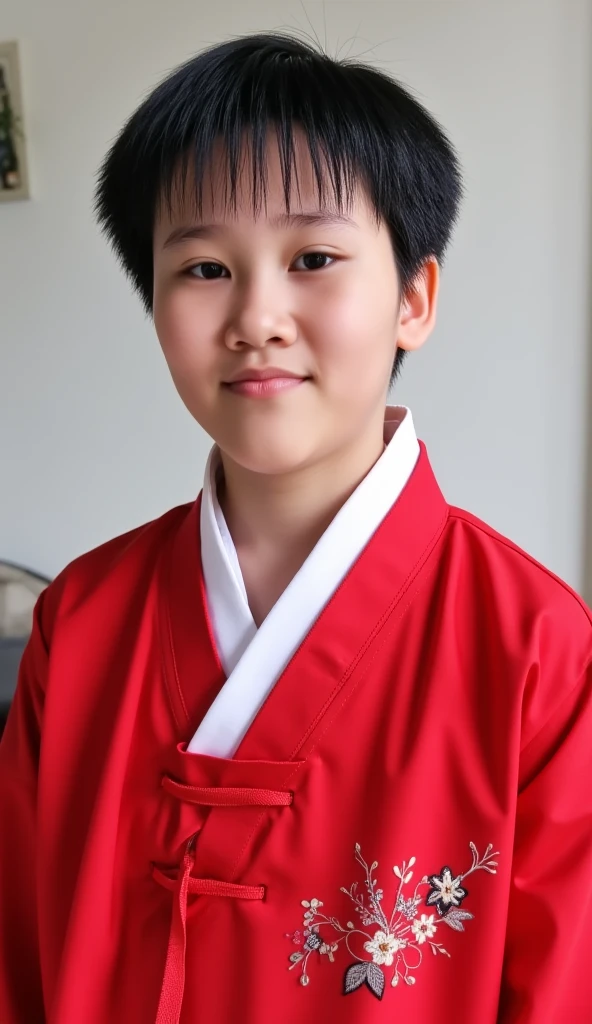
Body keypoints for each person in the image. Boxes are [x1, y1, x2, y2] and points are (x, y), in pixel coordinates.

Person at [0, 30, 591, 1024]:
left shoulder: (532, 649)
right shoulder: (83, 618)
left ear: (413, 297)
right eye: (201, 269)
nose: (257, 316)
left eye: (312, 257)